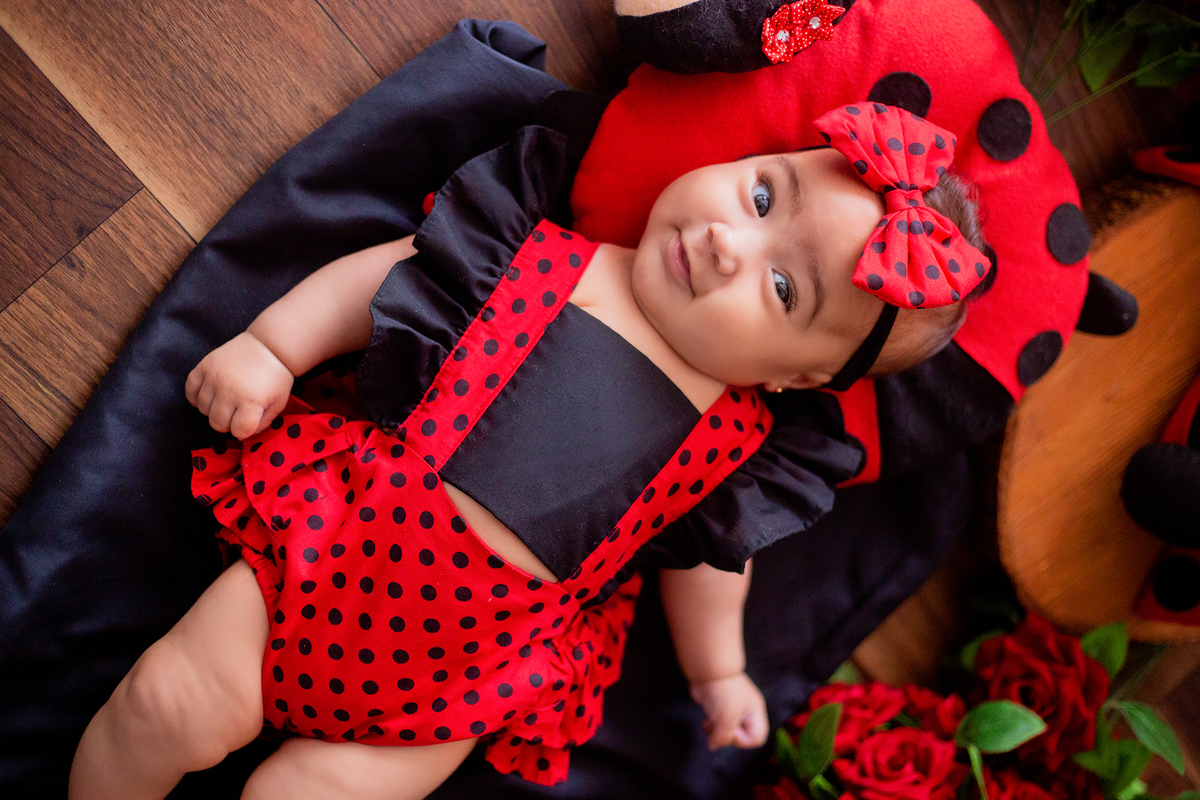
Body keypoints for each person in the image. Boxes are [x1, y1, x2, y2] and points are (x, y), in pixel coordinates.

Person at [68, 102, 989, 800]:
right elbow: (386, 285)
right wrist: (275, 347)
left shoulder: (738, 447)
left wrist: (720, 672)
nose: (724, 244)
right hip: (334, 549)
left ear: (798, 379)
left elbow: (711, 569)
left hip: (465, 674)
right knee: (165, 702)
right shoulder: (537, 257)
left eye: (784, 288)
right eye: (759, 196)